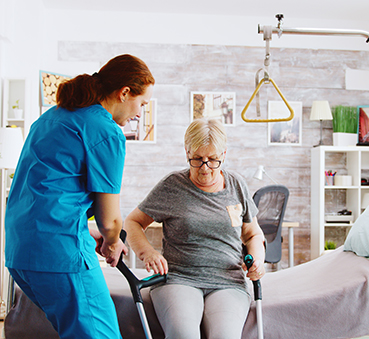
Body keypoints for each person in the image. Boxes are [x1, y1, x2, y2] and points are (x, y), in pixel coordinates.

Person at [5, 54, 155, 339]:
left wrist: (88, 231)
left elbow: (46, 192)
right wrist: (112, 242)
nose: (139, 113)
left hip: (20, 252)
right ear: (125, 93)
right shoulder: (105, 130)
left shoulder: (53, 116)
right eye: (142, 104)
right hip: (57, 254)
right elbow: (111, 221)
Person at [124, 118, 266, 339]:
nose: (205, 168)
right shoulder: (172, 185)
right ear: (187, 151)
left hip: (227, 281)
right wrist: (147, 252)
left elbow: (252, 233)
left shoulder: (237, 185)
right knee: (183, 335)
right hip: (179, 278)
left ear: (224, 154)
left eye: (213, 160)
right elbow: (132, 222)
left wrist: (257, 260)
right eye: (197, 159)